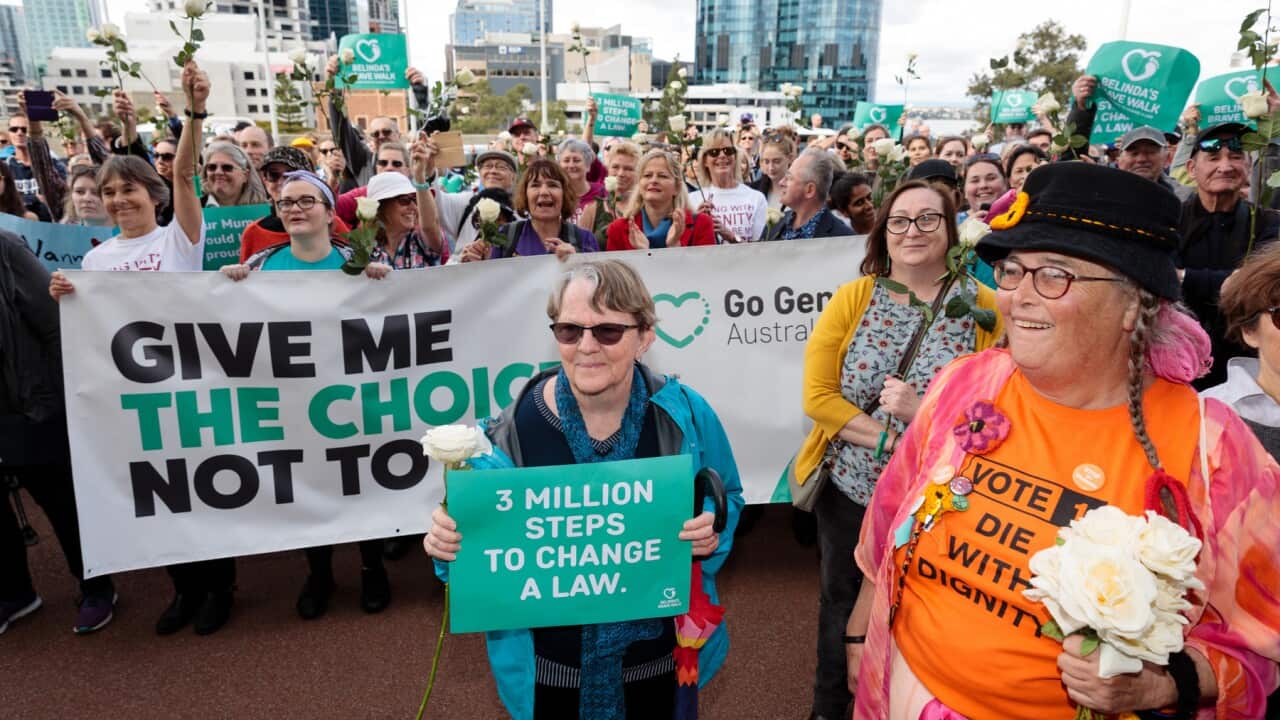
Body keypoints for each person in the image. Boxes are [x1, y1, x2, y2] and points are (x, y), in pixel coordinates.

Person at [846, 161, 1280, 719]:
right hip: (903, 688)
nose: (1018, 297)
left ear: (1133, 304)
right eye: (1012, 271)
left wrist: (1161, 686)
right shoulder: (967, 380)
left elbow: (1258, 642)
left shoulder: (1215, 448)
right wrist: (860, 631)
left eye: (1053, 275)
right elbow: (891, 518)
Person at [424, 258, 743, 718]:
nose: (587, 347)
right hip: (550, 676)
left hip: (662, 664)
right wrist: (446, 547)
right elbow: (476, 564)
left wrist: (711, 530)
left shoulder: (686, 415)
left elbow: (727, 496)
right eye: (570, 331)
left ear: (645, 336)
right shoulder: (507, 436)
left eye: (608, 331)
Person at [798, 179, 1003, 720]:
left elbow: (997, 415)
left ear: (951, 229)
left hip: (942, 496)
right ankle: (829, 707)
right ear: (883, 231)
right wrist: (893, 439)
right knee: (841, 604)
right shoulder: (854, 298)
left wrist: (923, 416)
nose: (912, 231)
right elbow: (819, 398)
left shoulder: (984, 308)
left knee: (930, 607)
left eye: (927, 219)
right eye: (899, 220)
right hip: (854, 490)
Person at [48, 61, 225, 635]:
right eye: (108, 191)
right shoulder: (95, 260)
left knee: (205, 490)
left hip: (192, 388)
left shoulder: (180, 237)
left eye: (128, 188)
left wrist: (193, 110)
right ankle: (184, 588)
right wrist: (64, 294)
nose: (118, 198)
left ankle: (220, 588)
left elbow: (182, 174)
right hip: (138, 399)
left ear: (152, 194)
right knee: (163, 495)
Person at [0, 228, 119, 636]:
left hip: (28, 406)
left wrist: (54, 401)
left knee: (60, 503)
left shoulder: (6, 247)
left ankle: (96, 587)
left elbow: (54, 327)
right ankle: (15, 593)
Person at [1179, 122, 1280, 389]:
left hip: (1248, 371)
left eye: (1236, 157)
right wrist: (1227, 281)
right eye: (1213, 158)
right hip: (1178, 367)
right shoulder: (1170, 221)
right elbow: (1161, 277)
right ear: (1191, 169)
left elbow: (1255, 287)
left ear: (1248, 167)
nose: (1225, 166)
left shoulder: (1267, 223)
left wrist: (1186, 277)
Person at [460, 158, 598, 261]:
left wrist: (578, 263)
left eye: (552, 185)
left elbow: (598, 288)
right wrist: (475, 262)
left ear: (565, 194)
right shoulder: (505, 236)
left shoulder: (584, 240)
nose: (544, 192)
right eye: (535, 185)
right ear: (525, 195)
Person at [238, 146, 351, 262]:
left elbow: (356, 265)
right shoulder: (253, 232)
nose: (282, 181)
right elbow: (247, 277)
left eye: (292, 174)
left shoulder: (333, 224)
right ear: (265, 180)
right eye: (273, 175)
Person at [605, 149, 716, 250]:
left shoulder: (701, 224)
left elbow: (705, 270)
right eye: (647, 175)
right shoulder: (618, 229)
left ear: (677, 187)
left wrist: (674, 246)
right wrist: (643, 254)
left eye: (662, 176)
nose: (653, 181)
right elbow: (616, 272)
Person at [689, 129, 768, 244]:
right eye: (714, 152)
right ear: (705, 160)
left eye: (728, 151)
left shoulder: (756, 198)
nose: (722, 155)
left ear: (735, 157)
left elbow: (762, 249)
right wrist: (696, 222)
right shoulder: (693, 200)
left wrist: (731, 237)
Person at [766, 148, 852, 241]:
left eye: (789, 178)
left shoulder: (841, 237)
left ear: (810, 190)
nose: (781, 182)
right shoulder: (776, 223)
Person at [364, 168, 445, 268]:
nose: (413, 207)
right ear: (381, 207)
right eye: (404, 200)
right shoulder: (365, 249)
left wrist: (420, 177)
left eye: (415, 200)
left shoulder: (420, 240)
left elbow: (430, 227)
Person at [1115, 126, 1194, 201]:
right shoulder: (1105, 194)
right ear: (1119, 160)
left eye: (1150, 152)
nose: (1141, 159)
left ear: (1166, 158)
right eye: (1134, 153)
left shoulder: (1183, 197)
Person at [201, 141, 268, 209]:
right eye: (212, 167)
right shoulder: (194, 207)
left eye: (227, 167)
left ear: (245, 175)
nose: (218, 172)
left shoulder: (264, 211)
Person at [557, 138, 605, 229]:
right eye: (566, 161)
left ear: (588, 166)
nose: (571, 165)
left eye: (576, 160)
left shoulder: (602, 192)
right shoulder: (554, 193)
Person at [749, 133, 796, 210]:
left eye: (777, 161)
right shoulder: (753, 190)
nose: (771, 168)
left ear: (790, 158)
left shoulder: (799, 190)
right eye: (767, 162)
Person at [961, 153, 1008, 223]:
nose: (983, 185)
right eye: (975, 181)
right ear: (964, 190)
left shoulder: (1021, 218)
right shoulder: (951, 224)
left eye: (991, 178)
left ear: (1005, 183)